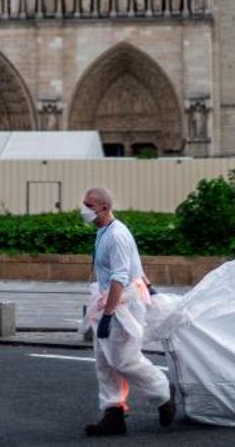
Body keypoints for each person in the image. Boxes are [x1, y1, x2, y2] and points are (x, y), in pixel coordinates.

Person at [80, 186, 176, 436]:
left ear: (104, 207)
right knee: (104, 361)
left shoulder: (116, 235)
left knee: (124, 358)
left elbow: (120, 277)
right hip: (108, 300)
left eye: (88, 205)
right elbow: (133, 263)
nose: (83, 209)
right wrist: (149, 286)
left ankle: (163, 393)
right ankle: (113, 413)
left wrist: (109, 314)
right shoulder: (104, 231)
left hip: (122, 304)